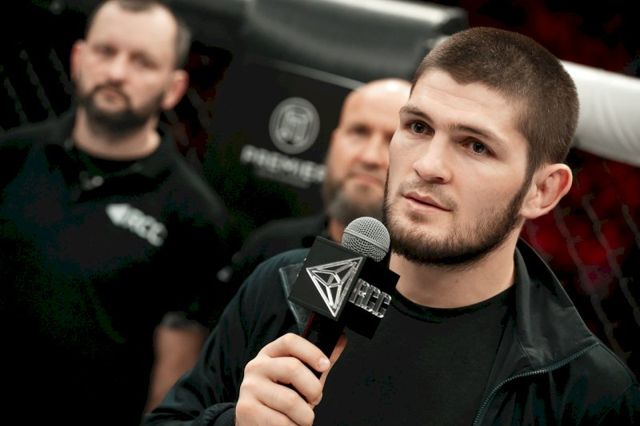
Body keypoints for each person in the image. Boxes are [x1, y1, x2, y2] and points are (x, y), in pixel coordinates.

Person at [145, 27, 640, 425]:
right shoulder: (285, 284)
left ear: (543, 190)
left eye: (475, 146)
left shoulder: (581, 386)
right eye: (418, 127)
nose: (428, 165)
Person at [0, 0, 233, 423]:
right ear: (78, 58)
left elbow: (174, 372)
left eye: (142, 62)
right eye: (106, 51)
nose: (117, 72)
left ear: (173, 87)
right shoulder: (10, 156)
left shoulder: (194, 215)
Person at [228, 78, 411, 284]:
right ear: (334, 141)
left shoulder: (420, 286)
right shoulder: (270, 248)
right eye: (359, 131)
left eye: (392, 139)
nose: (370, 157)